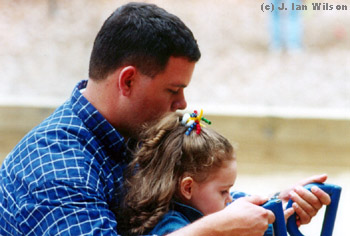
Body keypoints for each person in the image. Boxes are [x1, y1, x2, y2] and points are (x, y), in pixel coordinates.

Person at [0, 2, 330, 236]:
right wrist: (215, 231)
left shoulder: (132, 132)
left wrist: (271, 208)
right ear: (127, 81)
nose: (183, 103)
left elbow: (193, 198)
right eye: (173, 90)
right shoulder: (58, 167)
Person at [118, 111, 276, 236]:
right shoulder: (170, 226)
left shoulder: (201, 209)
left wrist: (274, 216)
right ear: (187, 188)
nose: (230, 198)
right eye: (223, 191)